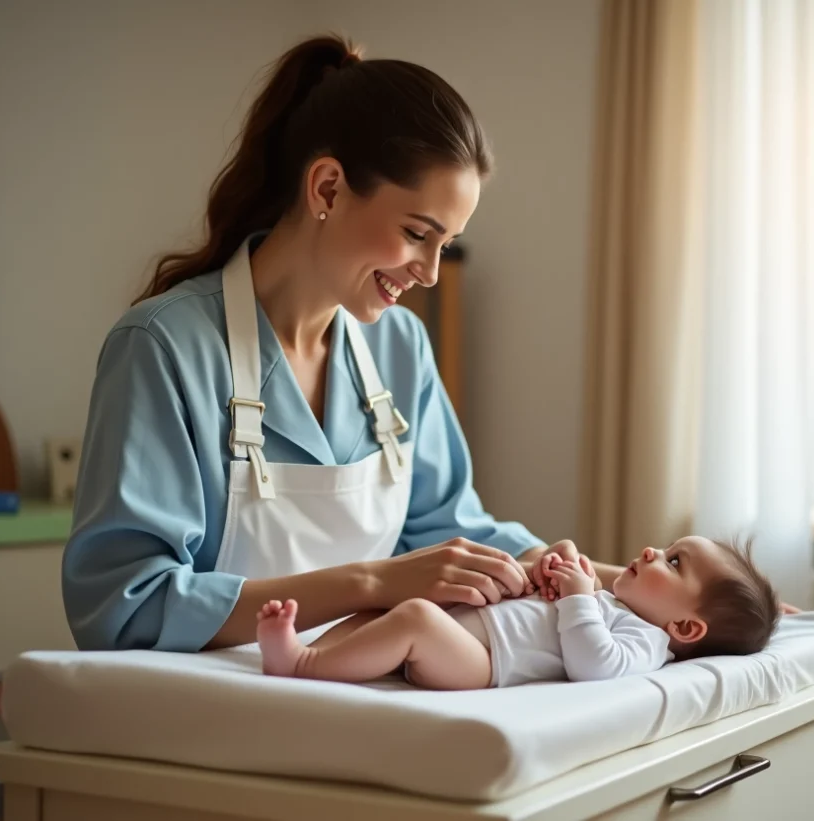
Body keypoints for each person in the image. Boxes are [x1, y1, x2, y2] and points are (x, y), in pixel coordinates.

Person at [61, 34, 600, 653]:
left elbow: (448, 530)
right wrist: (372, 582)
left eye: (444, 245)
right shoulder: (164, 347)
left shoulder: (401, 346)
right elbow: (123, 607)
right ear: (327, 189)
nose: (428, 271)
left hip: (351, 707)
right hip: (204, 714)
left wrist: (611, 581)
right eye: (416, 234)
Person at [254, 536, 781, 689]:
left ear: (685, 627)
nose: (649, 552)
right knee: (387, 606)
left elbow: (592, 664)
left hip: (483, 662)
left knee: (415, 617)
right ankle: (323, 650)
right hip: (474, 629)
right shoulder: (615, 602)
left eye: (672, 562)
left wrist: (577, 596)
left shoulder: (648, 643)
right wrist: (548, 567)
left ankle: (302, 665)